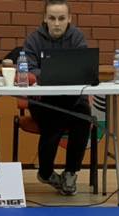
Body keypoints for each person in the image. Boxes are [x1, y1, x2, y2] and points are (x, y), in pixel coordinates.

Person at [21, 0, 92, 196]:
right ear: (45, 18)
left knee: (83, 117)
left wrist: (50, 72)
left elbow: (82, 67)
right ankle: (45, 172)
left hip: (73, 100)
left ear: (69, 19)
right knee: (56, 117)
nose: (57, 23)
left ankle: (70, 172)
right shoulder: (33, 39)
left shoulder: (77, 37)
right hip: (43, 101)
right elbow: (29, 69)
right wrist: (57, 73)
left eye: (61, 18)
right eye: (52, 18)